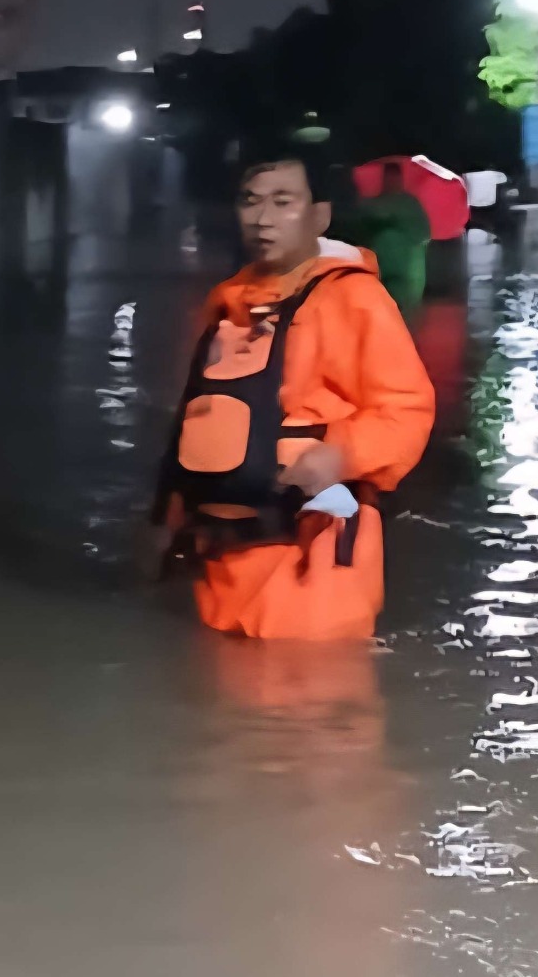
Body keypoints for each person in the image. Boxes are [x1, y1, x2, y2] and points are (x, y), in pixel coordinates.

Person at [152, 144, 435, 640]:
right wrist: (166, 520)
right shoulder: (224, 303)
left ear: (320, 214)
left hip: (313, 561)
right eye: (250, 200)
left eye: (284, 202)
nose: (263, 218)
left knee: (303, 704)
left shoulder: (352, 298)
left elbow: (407, 411)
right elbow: (196, 418)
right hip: (219, 565)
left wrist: (340, 457)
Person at [342, 160, 431, 312]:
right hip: (379, 265)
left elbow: (423, 233)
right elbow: (359, 232)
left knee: (402, 310)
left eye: (394, 177)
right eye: (388, 177)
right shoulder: (372, 205)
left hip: (404, 269)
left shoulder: (410, 204)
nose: (391, 181)